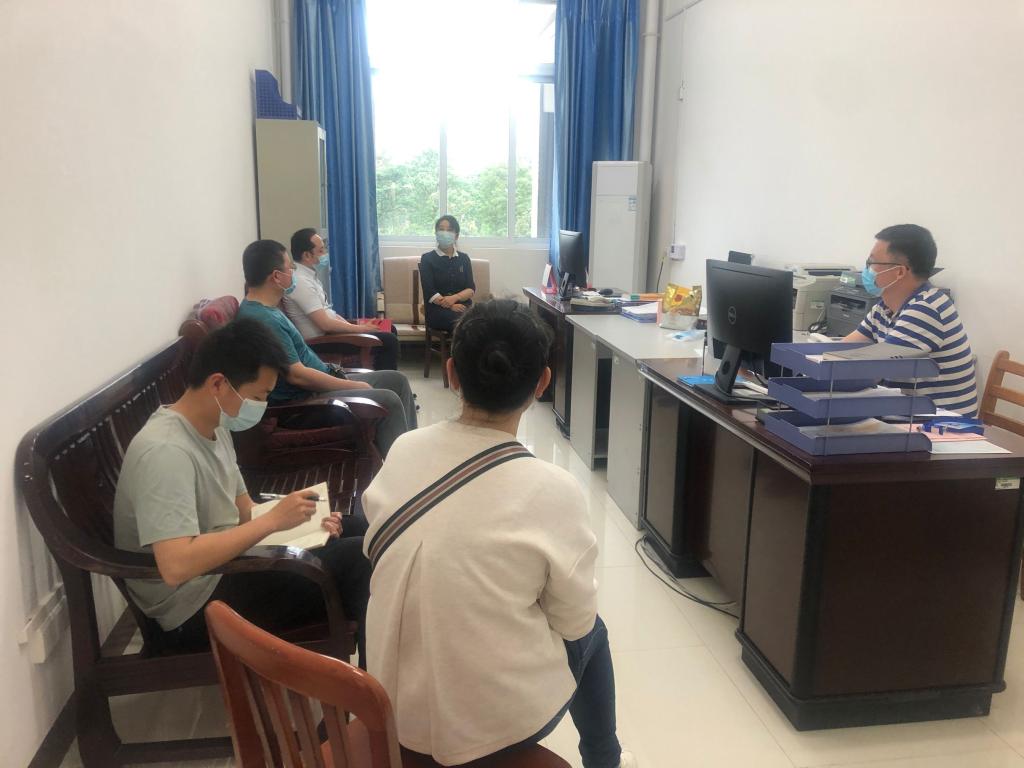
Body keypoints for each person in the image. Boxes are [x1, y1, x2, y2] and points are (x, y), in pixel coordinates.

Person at [362, 299, 635, 768]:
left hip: (390, 708)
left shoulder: (404, 448)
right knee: (594, 630)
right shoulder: (553, 488)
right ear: (542, 382)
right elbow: (574, 622)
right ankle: (605, 760)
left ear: (452, 372)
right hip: (490, 730)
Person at [113, 318, 370, 660]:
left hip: (222, 568)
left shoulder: (214, 426)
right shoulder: (165, 452)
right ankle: (373, 679)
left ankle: (372, 655)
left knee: (357, 527)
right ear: (218, 383)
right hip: (193, 607)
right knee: (359, 559)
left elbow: (244, 510)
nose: (261, 406)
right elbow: (176, 565)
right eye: (258, 396)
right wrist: (273, 521)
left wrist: (305, 521)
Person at [236, 239, 417, 457]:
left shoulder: (266, 309)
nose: (293, 273)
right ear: (276, 276)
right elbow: (298, 376)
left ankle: (411, 454)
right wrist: (352, 385)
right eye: (290, 269)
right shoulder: (263, 320)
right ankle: (399, 468)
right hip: (307, 400)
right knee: (389, 400)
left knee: (397, 381)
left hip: (321, 381)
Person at [844, 224, 978, 415]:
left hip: (940, 426)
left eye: (872, 263)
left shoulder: (926, 308)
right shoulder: (884, 308)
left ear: (899, 271)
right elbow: (843, 351)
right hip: (906, 419)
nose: (867, 270)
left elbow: (868, 373)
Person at [282, 227, 400, 370]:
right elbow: (325, 324)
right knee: (389, 340)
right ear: (307, 255)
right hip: (321, 341)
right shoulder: (301, 282)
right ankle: (384, 380)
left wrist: (355, 326)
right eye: (321, 251)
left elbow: (328, 313)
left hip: (331, 333)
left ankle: (384, 375)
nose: (325, 254)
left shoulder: (310, 276)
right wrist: (360, 329)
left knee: (389, 328)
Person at [419, 214, 475, 332]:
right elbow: (429, 290)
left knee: (479, 320)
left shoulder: (464, 258)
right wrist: (451, 305)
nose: (445, 233)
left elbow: (470, 288)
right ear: (436, 233)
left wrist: (455, 298)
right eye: (441, 229)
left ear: (456, 235)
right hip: (437, 310)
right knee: (464, 322)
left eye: (449, 230)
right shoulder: (427, 259)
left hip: (464, 307)